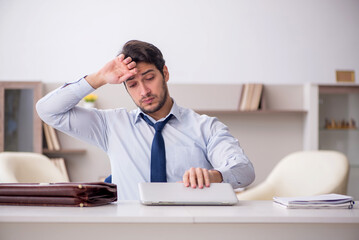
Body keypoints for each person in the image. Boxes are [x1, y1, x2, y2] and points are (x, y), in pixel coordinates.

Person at [36, 40, 255, 200]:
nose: (144, 91)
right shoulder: (111, 125)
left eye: (149, 78)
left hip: (187, 228)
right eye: (132, 85)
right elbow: (48, 111)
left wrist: (214, 176)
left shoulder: (205, 127)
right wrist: (98, 78)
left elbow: (244, 171)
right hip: (128, 230)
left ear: (165, 74)